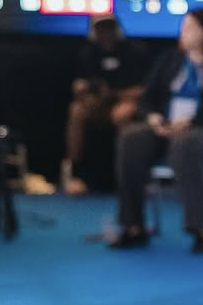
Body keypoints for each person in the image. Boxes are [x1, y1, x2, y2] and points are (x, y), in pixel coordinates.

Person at [106, 7, 203, 253]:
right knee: (131, 138)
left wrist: (191, 122)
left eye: (190, 28)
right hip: (166, 129)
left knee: (185, 143)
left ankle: (198, 229)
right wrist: (155, 118)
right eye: (183, 27)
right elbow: (147, 101)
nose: (183, 33)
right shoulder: (170, 60)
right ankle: (133, 225)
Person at [60, 14, 145, 194]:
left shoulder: (133, 52)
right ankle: (73, 173)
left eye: (109, 28)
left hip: (123, 103)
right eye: (101, 28)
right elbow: (77, 85)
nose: (106, 33)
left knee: (124, 113)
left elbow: (143, 90)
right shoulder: (87, 53)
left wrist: (114, 93)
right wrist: (86, 91)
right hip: (98, 107)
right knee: (76, 110)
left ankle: (127, 176)